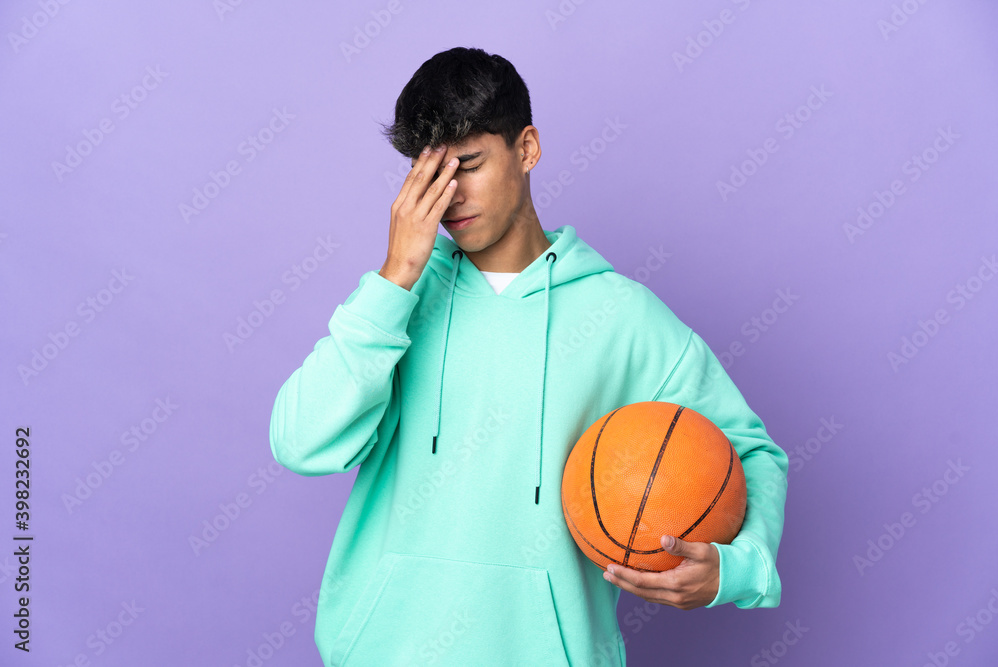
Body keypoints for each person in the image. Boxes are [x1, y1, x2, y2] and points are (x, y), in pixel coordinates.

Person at [269, 46, 789, 667]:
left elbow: (750, 450)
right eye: (429, 174)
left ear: (528, 149)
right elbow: (300, 443)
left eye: (469, 163)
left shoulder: (620, 317)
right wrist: (397, 276)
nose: (450, 195)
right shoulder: (393, 302)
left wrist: (737, 568)